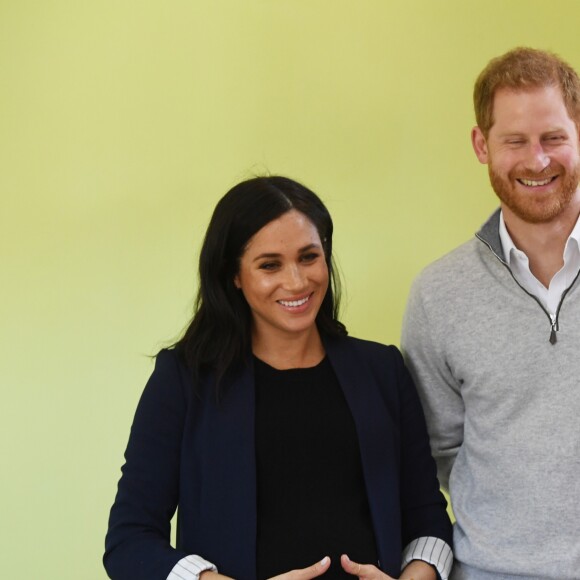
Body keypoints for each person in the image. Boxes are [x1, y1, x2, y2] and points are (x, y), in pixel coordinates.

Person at [104, 176, 453, 580]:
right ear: (234, 275)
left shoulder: (383, 370)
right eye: (270, 265)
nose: (297, 281)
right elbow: (129, 541)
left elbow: (426, 516)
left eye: (309, 257)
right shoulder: (183, 380)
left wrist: (416, 576)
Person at [401, 47, 580, 580]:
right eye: (515, 141)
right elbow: (438, 451)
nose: (538, 160)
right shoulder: (438, 296)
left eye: (554, 137)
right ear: (482, 145)